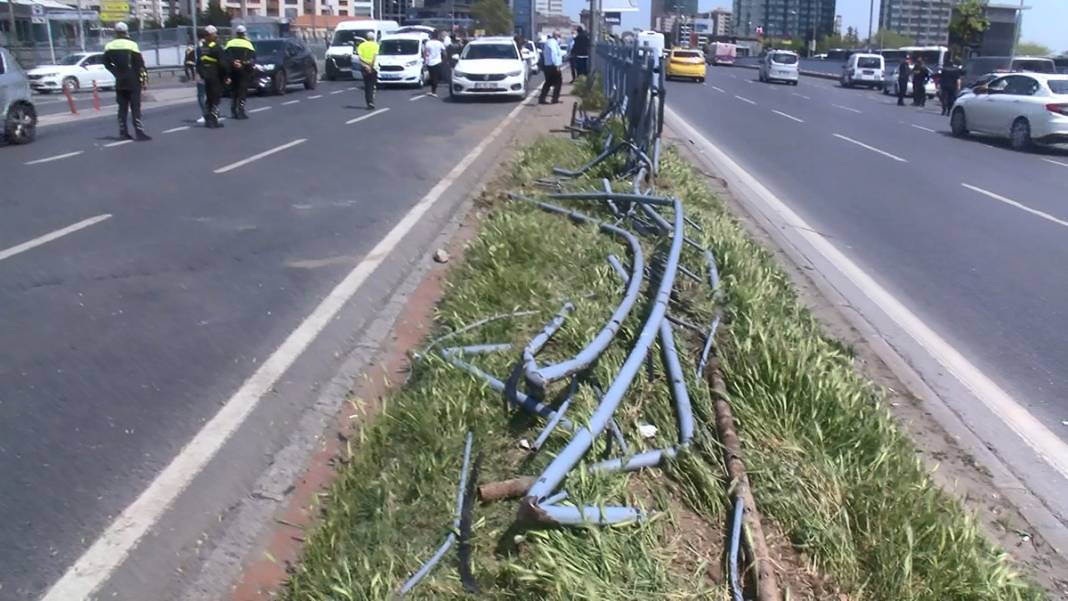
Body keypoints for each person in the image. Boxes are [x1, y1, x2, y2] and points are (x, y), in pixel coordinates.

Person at [103, 22, 150, 141]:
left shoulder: (109, 46)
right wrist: (144, 80)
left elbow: (106, 63)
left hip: (120, 80)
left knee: (122, 108)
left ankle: (123, 132)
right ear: (126, 31)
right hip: (133, 80)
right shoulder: (132, 45)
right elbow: (140, 64)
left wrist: (116, 72)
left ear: (116, 32)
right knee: (135, 107)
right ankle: (139, 132)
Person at [197, 25, 229, 128]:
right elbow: (223, 64)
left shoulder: (202, 48)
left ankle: (208, 119)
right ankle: (213, 120)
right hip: (215, 76)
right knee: (216, 98)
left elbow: (199, 63)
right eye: (215, 34)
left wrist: (202, 75)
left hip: (206, 76)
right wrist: (227, 75)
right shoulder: (216, 48)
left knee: (209, 98)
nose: (216, 36)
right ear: (210, 35)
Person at [225, 25, 256, 119]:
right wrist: (242, 63)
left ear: (236, 33)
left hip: (232, 70)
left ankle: (233, 110)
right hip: (243, 70)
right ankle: (241, 110)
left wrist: (233, 62)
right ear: (244, 33)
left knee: (234, 91)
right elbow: (252, 58)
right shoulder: (248, 44)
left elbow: (226, 56)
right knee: (242, 91)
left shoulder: (229, 43)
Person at [356, 35, 380, 109]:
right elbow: (374, 57)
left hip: (364, 67)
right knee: (372, 85)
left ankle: (369, 102)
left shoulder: (361, 45)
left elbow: (360, 58)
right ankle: (371, 101)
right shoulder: (376, 45)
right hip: (374, 67)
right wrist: (371, 67)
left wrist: (366, 66)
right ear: (373, 38)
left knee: (367, 86)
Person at [539, 32, 563, 105]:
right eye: (559, 36)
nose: (560, 38)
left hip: (549, 65)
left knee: (548, 82)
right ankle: (554, 99)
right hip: (553, 65)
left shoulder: (549, 42)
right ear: (556, 36)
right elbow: (554, 53)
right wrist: (556, 65)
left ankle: (542, 99)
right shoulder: (552, 42)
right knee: (558, 82)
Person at [424, 30, 447, 97]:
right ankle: (433, 91)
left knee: (432, 76)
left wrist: (425, 60)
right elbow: (444, 52)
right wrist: (444, 59)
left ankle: (433, 91)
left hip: (430, 62)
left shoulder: (428, 43)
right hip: (438, 62)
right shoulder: (440, 43)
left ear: (431, 36)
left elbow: (425, 52)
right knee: (435, 77)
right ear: (437, 36)